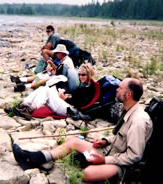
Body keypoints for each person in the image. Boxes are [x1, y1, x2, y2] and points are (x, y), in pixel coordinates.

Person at [12, 78, 153, 182]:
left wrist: (104, 160)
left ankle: (99, 169)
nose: (116, 89)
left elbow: (134, 156)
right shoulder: (127, 110)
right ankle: (38, 158)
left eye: (120, 88)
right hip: (109, 152)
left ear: (128, 94)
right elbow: (119, 137)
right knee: (72, 141)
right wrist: (105, 140)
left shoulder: (138, 121)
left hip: (121, 165)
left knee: (88, 174)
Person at [10, 63, 96, 121]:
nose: (80, 77)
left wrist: (65, 98)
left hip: (71, 110)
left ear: (89, 75)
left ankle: (29, 110)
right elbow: (77, 97)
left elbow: (81, 103)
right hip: (69, 106)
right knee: (43, 89)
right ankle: (24, 105)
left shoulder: (89, 88)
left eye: (83, 75)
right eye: (79, 74)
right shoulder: (85, 85)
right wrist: (68, 96)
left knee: (47, 91)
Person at [11, 44, 75, 92]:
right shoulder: (64, 60)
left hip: (62, 82)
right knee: (39, 75)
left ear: (61, 53)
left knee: (44, 78)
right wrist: (51, 67)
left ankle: (25, 86)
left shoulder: (66, 62)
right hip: (60, 78)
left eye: (57, 53)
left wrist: (51, 69)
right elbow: (59, 71)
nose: (56, 55)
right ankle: (21, 80)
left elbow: (60, 74)